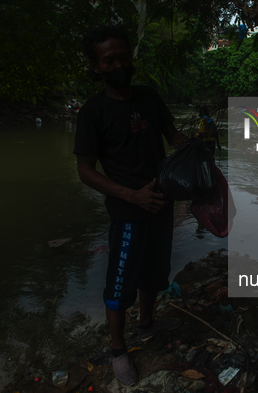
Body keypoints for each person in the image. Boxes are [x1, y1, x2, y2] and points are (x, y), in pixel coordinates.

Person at [73, 25, 186, 387]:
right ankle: (119, 349)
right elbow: (86, 171)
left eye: (123, 57)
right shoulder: (93, 112)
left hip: (161, 203)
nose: (119, 65)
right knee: (120, 282)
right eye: (109, 60)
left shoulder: (149, 97)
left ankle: (147, 323)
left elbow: (173, 137)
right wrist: (130, 194)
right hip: (127, 212)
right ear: (96, 67)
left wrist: (194, 150)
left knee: (155, 271)